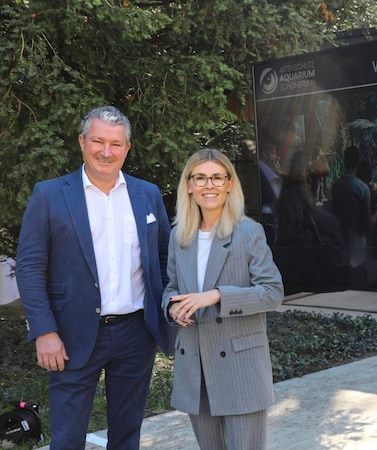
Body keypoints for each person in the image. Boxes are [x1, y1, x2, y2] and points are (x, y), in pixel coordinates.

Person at [15, 105, 173, 449]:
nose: (106, 151)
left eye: (116, 144)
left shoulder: (147, 194)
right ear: (82, 142)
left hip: (135, 333)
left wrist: (166, 312)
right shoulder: (50, 194)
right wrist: (44, 331)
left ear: (127, 148)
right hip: (70, 336)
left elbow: (163, 258)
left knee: (127, 433)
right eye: (98, 141)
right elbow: (29, 267)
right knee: (68, 437)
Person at [163, 148, 284, 450]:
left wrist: (216, 296)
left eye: (217, 177)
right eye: (200, 178)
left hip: (240, 367)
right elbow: (171, 288)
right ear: (188, 185)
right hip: (195, 367)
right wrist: (172, 308)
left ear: (230, 184)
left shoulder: (248, 232)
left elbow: (273, 292)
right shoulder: (180, 236)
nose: (209, 185)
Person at [330, 145, 372, 260]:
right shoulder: (362, 188)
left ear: (344, 161)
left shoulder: (336, 185)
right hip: (357, 241)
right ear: (358, 161)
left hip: (339, 240)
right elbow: (367, 222)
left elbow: (333, 215)